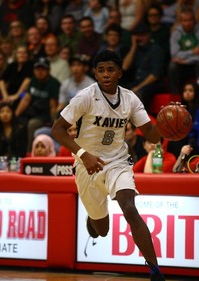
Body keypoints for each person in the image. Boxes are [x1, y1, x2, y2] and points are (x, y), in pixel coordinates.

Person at [51, 50, 165, 281]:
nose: (105, 74)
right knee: (102, 230)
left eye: (110, 69)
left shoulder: (131, 98)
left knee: (130, 209)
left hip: (117, 162)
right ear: (94, 73)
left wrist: (167, 119)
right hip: (87, 165)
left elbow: (152, 136)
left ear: (120, 73)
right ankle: (93, 222)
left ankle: (156, 272)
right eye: (101, 70)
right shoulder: (85, 96)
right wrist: (83, 155)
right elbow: (57, 129)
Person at [15, 57, 60, 152]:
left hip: (44, 116)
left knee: (32, 124)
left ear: (48, 70)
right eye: (37, 69)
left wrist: (53, 121)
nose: (40, 71)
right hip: (32, 112)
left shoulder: (54, 84)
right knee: (18, 123)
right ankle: (17, 152)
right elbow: (26, 99)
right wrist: (15, 115)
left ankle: (30, 152)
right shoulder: (33, 80)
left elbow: (53, 106)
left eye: (43, 69)